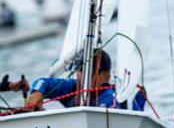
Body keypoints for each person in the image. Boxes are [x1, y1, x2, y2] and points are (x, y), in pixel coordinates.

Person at [6, 50, 146, 111]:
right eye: (80, 70)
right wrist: (37, 93)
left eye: (90, 71)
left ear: (106, 76)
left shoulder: (111, 98)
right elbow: (45, 82)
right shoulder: (71, 87)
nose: (82, 75)